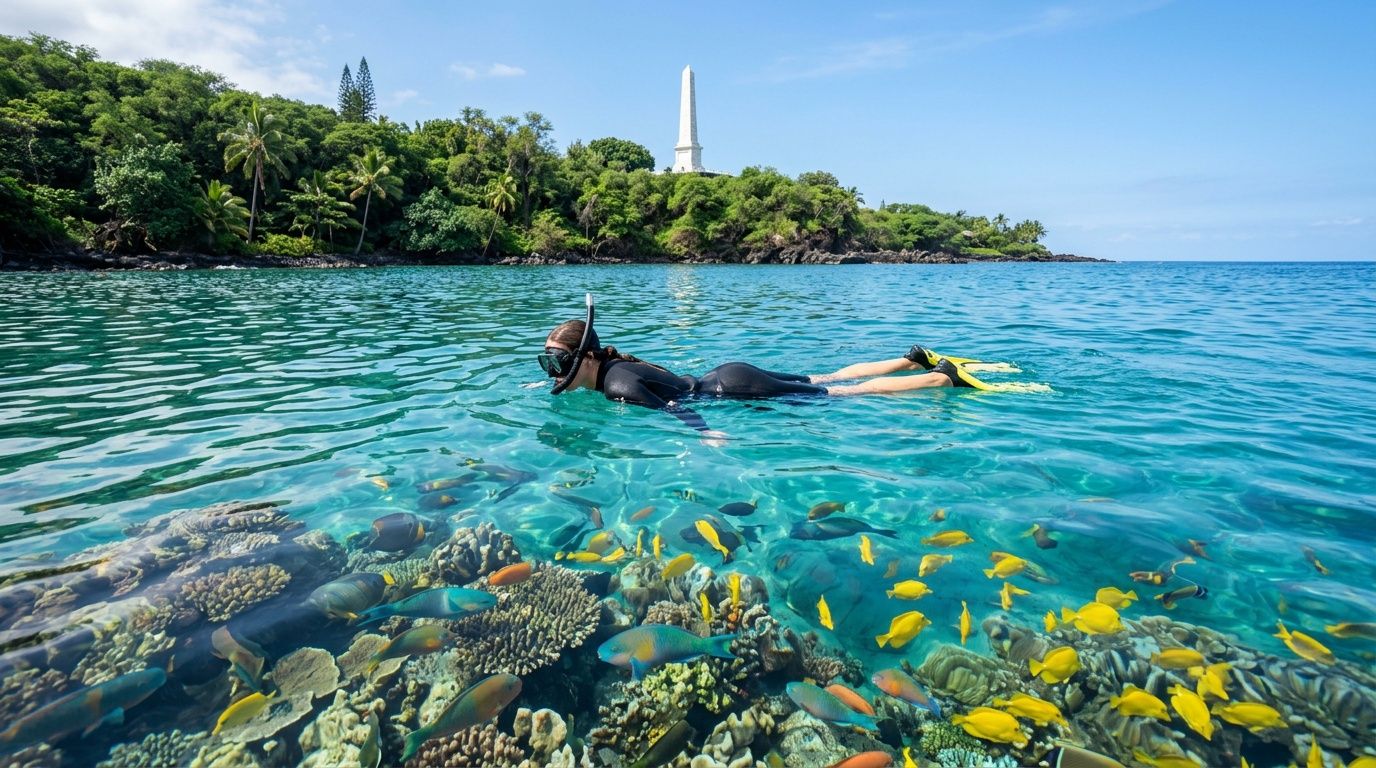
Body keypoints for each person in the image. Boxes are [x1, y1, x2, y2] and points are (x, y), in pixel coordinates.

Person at [537, 301, 1000, 435]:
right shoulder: (615, 369)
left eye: (557, 361)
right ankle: (911, 358)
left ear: (587, 357)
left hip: (730, 391)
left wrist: (707, 434)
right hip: (729, 373)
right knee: (827, 378)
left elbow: (675, 406)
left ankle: (941, 377)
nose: (553, 372)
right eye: (548, 362)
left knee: (842, 393)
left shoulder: (616, 385)